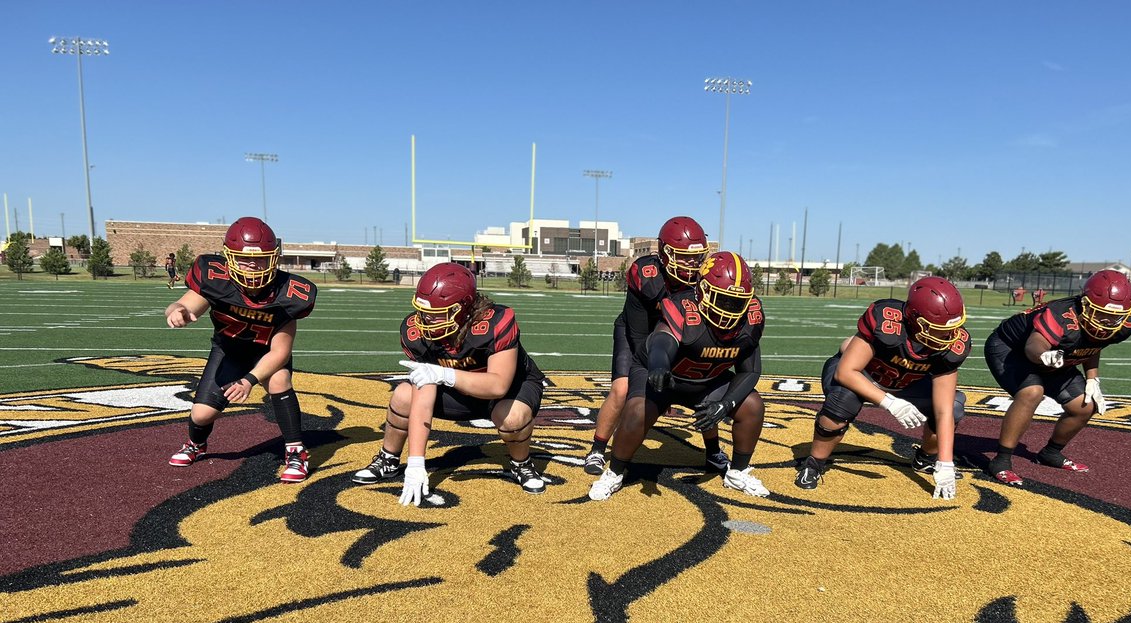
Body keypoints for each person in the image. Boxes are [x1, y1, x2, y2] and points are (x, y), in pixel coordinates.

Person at [351, 262, 545, 502]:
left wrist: (444, 374)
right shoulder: (417, 333)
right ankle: (388, 458)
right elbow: (424, 393)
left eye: (435, 314)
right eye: (423, 312)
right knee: (403, 396)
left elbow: (498, 385)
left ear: (462, 308)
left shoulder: (493, 322)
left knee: (511, 417)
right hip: (460, 393)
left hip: (510, 389)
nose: (426, 320)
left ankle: (521, 463)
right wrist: (416, 463)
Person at [588, 251, 769, 501]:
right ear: (703, 290)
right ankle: (614, 472)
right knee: (637, 409)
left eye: (737, 302)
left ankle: (737, 472)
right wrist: (659, 366)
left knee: (752, 405)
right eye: (723, 299)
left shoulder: (750, 319)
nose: (730, 309)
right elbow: (662, 341)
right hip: (668, 378)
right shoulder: (684, 308)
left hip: (706, 381)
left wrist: (725, 404)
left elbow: (751, 370)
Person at [164, 216, 316, 482]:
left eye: (260, 259)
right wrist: (178, 312)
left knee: (280, 379)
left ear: (274, 258)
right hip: (229, 351)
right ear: (229, 257)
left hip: (266, 353)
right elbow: (185, 304)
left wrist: (249, 381)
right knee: (201, 415)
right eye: (245, 259)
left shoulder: (289, 293)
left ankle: (296, 452)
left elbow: (280, 352)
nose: (253, 266)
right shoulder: (215, 277)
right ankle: (196, 443)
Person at [795, 276, 971, 500]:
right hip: (863, 376)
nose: (950, 336)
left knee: (955, 406)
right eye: (940, 329)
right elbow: (846, 371)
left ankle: (926, 459)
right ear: (916, 320)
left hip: (907, 384)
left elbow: (944, 409)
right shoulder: (887, 323)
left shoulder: (953, 344)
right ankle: (814, 463)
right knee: (842, 401)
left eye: (954, 327)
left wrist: (945, 462)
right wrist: (890, 402)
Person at [582, 216, 728, 478]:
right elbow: (639, 336)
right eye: (684, 257)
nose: (692, 264)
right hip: (639, 331)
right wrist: (653, 379)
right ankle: (597, 448)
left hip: (684, 333)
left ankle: (713, 450)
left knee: (703, 385)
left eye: (697, 257)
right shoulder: (645, 274)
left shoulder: (705, 278)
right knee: (622, 388)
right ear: (665, 254)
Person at [984, 269, 1131, 486]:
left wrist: (1093, 378)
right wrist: (1044, 355)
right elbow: (1034, 345)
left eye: (1115, 317)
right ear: (1084, 304)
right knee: (1032, 392)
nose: (1108, 321)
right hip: (1012, 349)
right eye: (1101, 313)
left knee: (1084, 405)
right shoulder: (1061, 314)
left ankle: (1051, 453)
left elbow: (1093, 344)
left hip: (1058, 354)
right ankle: (1001, 461)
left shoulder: (1126, 322)